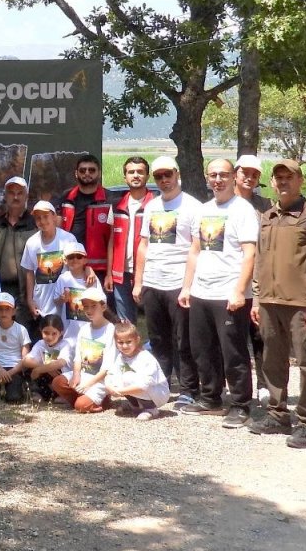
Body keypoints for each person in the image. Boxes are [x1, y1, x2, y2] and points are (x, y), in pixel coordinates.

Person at [246, 159, 306, 447]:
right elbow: (259, 260)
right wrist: (256, 299)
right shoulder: (267, 217)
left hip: (302, 304)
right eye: (278, 177)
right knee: (271, 360)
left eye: (288, 177)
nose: (283, 182)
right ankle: (277, 414)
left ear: (300, 180)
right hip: (269, 302)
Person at [178, 159, 258, 429]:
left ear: (234, 177)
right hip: (202, 291)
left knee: (233, 352)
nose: (218, 180)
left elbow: (250, 254)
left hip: (230, 294)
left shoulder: (243, 210)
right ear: (206, 178)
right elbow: (195, 251)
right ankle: (210, 397)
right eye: (213, 175)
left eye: (224, 175)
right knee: (202, 349)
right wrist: (187, 286)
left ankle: (239, 404)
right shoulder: (203, 210)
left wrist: (239, 290)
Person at [133, 156, 200, 409]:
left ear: (177, 174)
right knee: (158, 338)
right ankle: (160, 385)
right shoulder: (151, 206)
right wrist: (139, 282)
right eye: (159, 176)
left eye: (167, 175)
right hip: (153, 282)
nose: (164, 180)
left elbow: (197, 247)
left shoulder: (193, 206)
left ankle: (188, 389)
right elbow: (143, 245)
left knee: (183, 339)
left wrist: (187, 286)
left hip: (178, 282)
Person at [235, 153, 272, 401]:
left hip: (260, 277)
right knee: (232, 336)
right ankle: (238, 386)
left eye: (254, 174)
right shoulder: (221, 203)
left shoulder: (267, 207)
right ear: (235, 174)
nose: (249, 178)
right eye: (244, 173)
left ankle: (264, 384)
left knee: (260, 333)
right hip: (232, 277)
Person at [52, 288, 116, 413]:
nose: (89, 310)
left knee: (81, 406)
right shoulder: (84, 329)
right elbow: (78, 357)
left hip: (99, 379)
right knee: (58, 382)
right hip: (83, 374)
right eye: (86, 307)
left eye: (93, 306)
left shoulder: (110, 330)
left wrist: (88, 384)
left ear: (103, 307)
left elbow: (107, 367)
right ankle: (82, 398)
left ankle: (102, 400)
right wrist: (76, 375)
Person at [106, 156, 154, 322]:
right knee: (125, 322)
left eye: (140, 172)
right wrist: (108, 274)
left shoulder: (155, 205)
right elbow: (112, 241)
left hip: (150, 272)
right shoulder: (116, 205)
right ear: (124, 177)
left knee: (155, 320)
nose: (135, 175)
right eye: (131, 172)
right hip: (121, 273)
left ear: (148, 176)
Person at [0, 177, 37, 336]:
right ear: (5, 197)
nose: (15, 197)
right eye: (11, 193)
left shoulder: (34, 224)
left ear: (26, 196)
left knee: (22, 336)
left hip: (24, 291)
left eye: (20, 193)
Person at [21, 200, 80, 332]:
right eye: (38, 218)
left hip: (65, 302)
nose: (42, 221)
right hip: (42, 302)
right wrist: (30, 299)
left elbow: (78, 265)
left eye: (46, 216)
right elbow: (29, 272)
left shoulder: (68, 239)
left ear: (54, 217)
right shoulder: (32, 243)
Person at [57, 154, 111, 285]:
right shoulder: (66, 197)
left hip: (100, 270)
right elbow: (58, 230)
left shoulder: (109, 199)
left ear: (99, 173)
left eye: (92, 170)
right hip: (71, 265)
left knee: (99, 305)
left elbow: (113, 239)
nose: (87, 173)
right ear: (76, 173)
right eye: (82, 170)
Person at [105, 322, 171, 421]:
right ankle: (136, 405)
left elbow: (144, 385)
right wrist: (109, 386)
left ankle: (151, 409)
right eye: (121, 342)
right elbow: (111, 374)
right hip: (141, 389)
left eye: (128, 342)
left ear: (137, 340)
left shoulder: (145, 357)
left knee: (127, 377)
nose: (125, 346)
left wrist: (119, 391)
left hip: (158, 393)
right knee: (117, 378)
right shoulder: (120, 357)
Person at [22, 314, 74, 402]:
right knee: (31, 369)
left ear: (61, 332)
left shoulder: (65, 344)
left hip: (60, 375)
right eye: (46, 333)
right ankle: (38, 393)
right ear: (40, 330)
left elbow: (61, 362)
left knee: (57, 374)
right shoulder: (40, 343)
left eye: (54, 333)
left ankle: (62, 395)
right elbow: (26, 361)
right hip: (47, 376)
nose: (50, 337)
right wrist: (45, 368)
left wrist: (40, 369)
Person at [52, 242, 94, 341]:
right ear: (65, 260)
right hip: (68, 335)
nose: (75, 260)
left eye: (79, 256)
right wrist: (62, 299)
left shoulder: (91, 279)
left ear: (85, 260)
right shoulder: (63, 278)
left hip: (89, 333)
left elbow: (102, 301)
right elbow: (55, 301)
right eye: (71, 257)